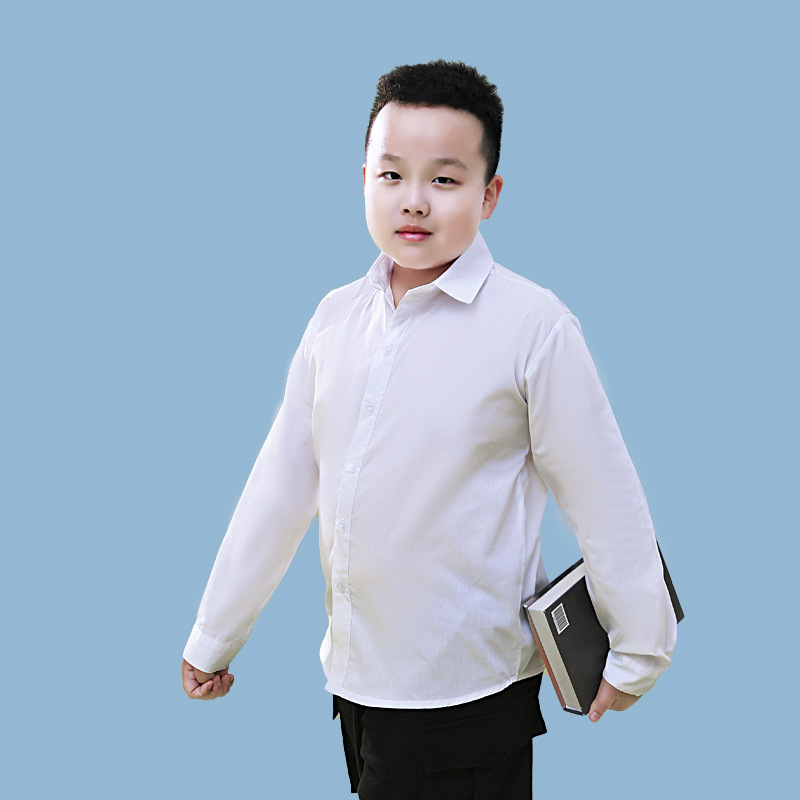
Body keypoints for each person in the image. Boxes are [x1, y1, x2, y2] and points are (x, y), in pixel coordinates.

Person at [182, 60, 677, 799]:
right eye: (392, 175)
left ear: (490, 194)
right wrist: (215, 633)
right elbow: (280, 487)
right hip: (357, 687)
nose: (414, 200)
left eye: (444, 179)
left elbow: (604, 494)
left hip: (469, 698)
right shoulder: (334, 320)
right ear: (364, 181)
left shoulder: (532, 327)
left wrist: (639, 649)